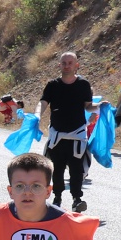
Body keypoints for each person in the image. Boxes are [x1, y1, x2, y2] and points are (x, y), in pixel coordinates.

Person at [39, 52, 93, 212]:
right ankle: (57, 198)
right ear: (59, 65)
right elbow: (43, 102)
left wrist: (100, 107)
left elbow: (88, 106)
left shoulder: (83, 84)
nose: (67, 66)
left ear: (77, 65)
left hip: (77, 135)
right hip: (57, 134)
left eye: (70, 63)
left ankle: (77, 199)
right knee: (57, 168)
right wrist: (36, 115)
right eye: (64, 63)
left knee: (77, 169)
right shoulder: (52, 85)